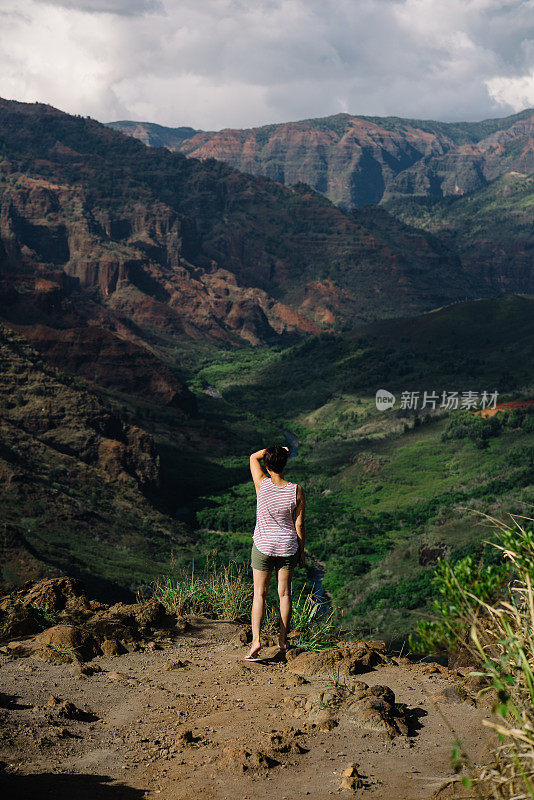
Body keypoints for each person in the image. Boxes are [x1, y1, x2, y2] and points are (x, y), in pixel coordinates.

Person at [245, 444, 305, 661]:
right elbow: (299, 525)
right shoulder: (296, 490)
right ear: (285, 463)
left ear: (268, 465)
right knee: (284, 594)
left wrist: (276, 449)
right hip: (288, 548)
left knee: (259, 594)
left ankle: (256, 641)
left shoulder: (262, 484)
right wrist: (301, 551)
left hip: (263, 546)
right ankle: (282, 640)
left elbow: (253, 456)